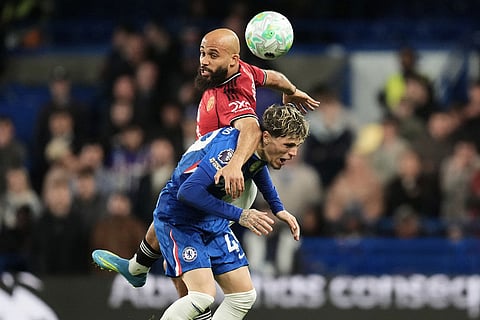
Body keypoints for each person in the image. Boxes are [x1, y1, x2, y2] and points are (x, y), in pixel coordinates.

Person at [92, 27, 319, 318]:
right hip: (193, 200)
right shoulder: (236, 128)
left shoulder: (238, 106)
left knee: (240, 296)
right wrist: (240, 198)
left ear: (234, 61)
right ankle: (140, 269)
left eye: (213, 55)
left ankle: (137, 268)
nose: (204, 61)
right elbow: (251, 129)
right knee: (198, 294)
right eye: (202, 53)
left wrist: (274, 205)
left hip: (213, 188)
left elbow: (254, 131)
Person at [156, 104, 308, 319]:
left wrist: (278, 208)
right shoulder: (229, 153)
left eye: (297, 146)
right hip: (181, 218)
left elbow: (257, 166)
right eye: (289, 144)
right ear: (266, 137)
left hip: (209, 218)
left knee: (243, 296)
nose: (293, 153)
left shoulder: (253, 148)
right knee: (202, 296)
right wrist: (241, 215)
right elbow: (187, 192)